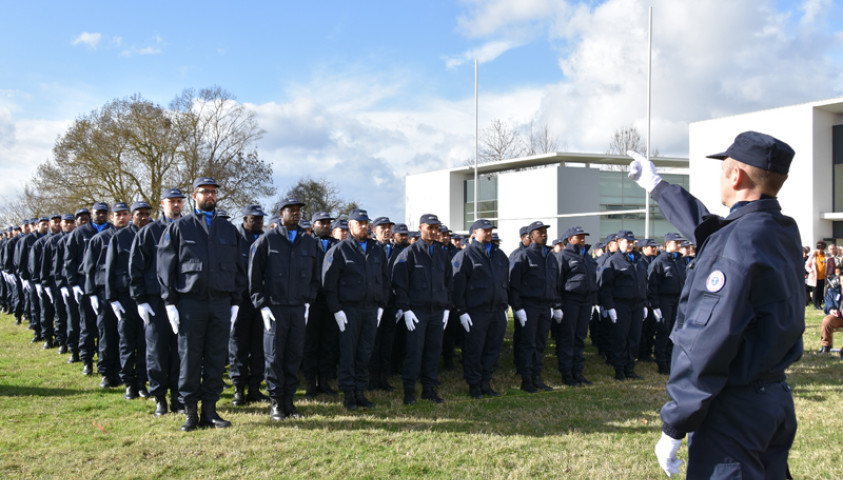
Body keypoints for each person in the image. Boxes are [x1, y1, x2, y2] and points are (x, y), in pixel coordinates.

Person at [628, 131, 804, 478]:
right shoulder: (779, 229)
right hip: (773, 399)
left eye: (723, 170)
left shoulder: (735, 243)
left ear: (735, 175)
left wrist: (676, 422)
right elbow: (711, 230)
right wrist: (657, 186)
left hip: (733, 411)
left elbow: (707, 342)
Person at [158, 177, 247, 431]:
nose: (210, 196)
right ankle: (190, 411)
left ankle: (210, 410)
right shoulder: (180, 228)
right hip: (191, 303)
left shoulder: (228, 230)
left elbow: (239, 268)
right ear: (194, 196)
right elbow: (165, 268)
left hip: (220, 303)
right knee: (190, 358)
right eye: (205, 191)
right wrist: (169, 302)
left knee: (217, 357)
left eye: (213, 192)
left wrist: (235, 302)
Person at [248, 197, 319, 420]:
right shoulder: (267, 240)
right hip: (275, 308)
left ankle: (289, 400)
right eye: (291, 210)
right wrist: (261, 305)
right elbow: (254, 277)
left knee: (294, 355)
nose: (296, 213)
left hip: (298, 308)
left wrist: (308, 301)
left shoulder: (309, 242)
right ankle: (276, 402)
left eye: (298, 210)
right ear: (281, 214)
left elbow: (316, 277)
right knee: (274, 356)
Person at [322, 209, 389, 410]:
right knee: (348, 353)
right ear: (350, 225)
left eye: (366, 223)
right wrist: (336, 310)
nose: (364, 226)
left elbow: (385, 280)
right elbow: (329, 283)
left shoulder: (377, 249)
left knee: (365, 352)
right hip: (349, 310)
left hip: (371, 309)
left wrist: (381, 305)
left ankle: (360, 390)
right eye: (360, 223)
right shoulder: (340, 250)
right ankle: (348, 393)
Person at [129, 188, 185, 416]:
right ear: (163, 204)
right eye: (172, 201)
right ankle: (159, 396)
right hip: (156, 301)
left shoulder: (189, 229)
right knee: (156, 350)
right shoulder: (149, 232)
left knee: (181, 352)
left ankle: (178, 397)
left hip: (183, 299)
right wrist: (140, 300)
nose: (176, 205)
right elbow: (136, 268)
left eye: (179, 201)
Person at [392, 214, 453, 405]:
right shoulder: (410, 253)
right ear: (420, 228)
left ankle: (429, 389)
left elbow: (449, 283)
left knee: (433, 352)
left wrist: (447, 307)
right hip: (417, 312)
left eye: (436, 228)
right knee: (414, 353)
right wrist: (406, 309)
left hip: (437, 311)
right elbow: (399, 284)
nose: (434, 231)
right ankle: (409, 391)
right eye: (430, 227)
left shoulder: (442, 254)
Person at [451, 218, 509, 398]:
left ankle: (486, 382)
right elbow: (457, 285)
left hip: (497, 310)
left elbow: (505, 281)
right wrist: (461, 311)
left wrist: (505, 305)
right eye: (485, 230)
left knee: (493, 348)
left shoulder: (499, 255)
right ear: (474, 233)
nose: (489, 232)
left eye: (491, 229)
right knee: (474, 350)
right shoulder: (466, 255)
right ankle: (474, 385)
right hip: (476, 312)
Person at [105, 201, 152, 399]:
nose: (143, 217)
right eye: (139, 214)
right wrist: (112, 298)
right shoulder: (120, 237)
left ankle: (142, 382)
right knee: (127, 342)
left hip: (147, 297)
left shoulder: (153, 234)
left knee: (144, 342)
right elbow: (109, 268)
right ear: (132, 216)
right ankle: (128, 383)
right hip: (125, 297)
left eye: (146, 214)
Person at [508, 221, 561, 393]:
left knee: (540, 343)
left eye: (545, 232)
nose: (544, 235)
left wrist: (555, 304)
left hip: (545, 306)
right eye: (540, 232)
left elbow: (554, 283)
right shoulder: (524, 256)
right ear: (531, 236)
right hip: (529, 305)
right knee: (528, 343)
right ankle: (526, 379)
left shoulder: (550, 256)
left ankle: (537, 376)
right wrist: (518, 307)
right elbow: (514, 284)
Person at [229, 204, 270, 407]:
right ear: (245, 219)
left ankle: (254, 388)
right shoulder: (235, 239)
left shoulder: (265, 239)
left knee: (259, 346)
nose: (259, 222)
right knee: (238, 346)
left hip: (260, 302)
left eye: (261, 218)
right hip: (241, 300)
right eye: (254, 219)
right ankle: (239, 389)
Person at [84, 202, 127, 388]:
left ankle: (123, 370)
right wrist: (91, 293)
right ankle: (107, 372)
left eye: (124, 214)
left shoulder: (133, 237)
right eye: (118, 215)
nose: (121, 218)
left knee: (126, 335)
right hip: (104, 292)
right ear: (112, 217)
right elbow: (89, 268)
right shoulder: (99, 239)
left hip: (126, 291)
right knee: (107, 333)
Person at [597, 230, 648, 381]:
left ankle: (630, 369)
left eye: (632, 242)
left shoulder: (639, 260)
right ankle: (619, 370)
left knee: (634, 338)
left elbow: (644, 283)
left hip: (637, 305)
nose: (630, 245)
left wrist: (645, 303)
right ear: (619, 242)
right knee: (620, 338)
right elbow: (605, 286)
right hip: (621, 305)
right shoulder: (613, 261)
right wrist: (609, 307)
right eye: (627, 242)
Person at [65, 203, 108, 377]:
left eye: (104, 212)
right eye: (98, 212)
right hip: (85, 283)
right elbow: (69, 259)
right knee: (87, 324)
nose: (101, 215)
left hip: (105, 283)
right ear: (92, 213)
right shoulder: (79, 233)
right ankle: (87, 360)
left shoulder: (111, 231)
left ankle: (104, 360)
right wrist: (73, 283)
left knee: (105, 326)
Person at [302, 211, 340, 398]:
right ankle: (310, 383)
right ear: (313, 225)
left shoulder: (338, 245)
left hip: (332, 301)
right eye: (322, 223)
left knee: (328, 342)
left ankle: (324, 381)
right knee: (311, 343)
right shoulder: (306, 244)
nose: (326, 226)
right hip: (312, 301)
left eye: (328, 223)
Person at [555, 226, 597, 387]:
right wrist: (558, 305)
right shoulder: (563, 256)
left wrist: (593, 302)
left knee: (580, 337)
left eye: (583, 237)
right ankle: (567, 374)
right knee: (568, 337)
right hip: (570, 301)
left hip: (586, 301)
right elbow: (557, 282)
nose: (582, 240)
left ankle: (578, 372)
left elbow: (592, 279)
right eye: (579, 237)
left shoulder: (586, 256)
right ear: (569, 239)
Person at [647, 233, 686, 375]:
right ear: (668, 244)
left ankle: (671, 360)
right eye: (676, 242)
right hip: (664, 300)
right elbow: (652, 285)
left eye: (680, 242)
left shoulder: (680, 261)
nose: (679, 245)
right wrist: (655, 305)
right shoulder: (660, 261)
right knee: (664, 331)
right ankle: (662, 362)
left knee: (674, 331)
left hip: (677, 300)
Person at [368, 216, 399, 392]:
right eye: (383, 228)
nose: (387, 231)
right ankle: (372, 378)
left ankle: (383, 378)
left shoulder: (396, 249)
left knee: (387, 342)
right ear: (374, 231)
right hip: (374, 303)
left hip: (391, 303)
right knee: (374, 342)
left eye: (389, 228)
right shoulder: (371, 249)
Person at [819, 265, 843, 355]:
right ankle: (826, 346)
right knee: (827, 321)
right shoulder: (833, 291)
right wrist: (831, 309)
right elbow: (827, 303)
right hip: (838, 317)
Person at [805, 241, 827, 310]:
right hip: (815, 277)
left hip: (823, 277)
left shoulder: (826, 256)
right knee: (816, 292)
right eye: (819, 248)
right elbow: (807, 265)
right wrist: (811, 271)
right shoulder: (813, 256)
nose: (820, 250)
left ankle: (819, 304)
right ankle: (816, 305)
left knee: (821, 291)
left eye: (822, 249)